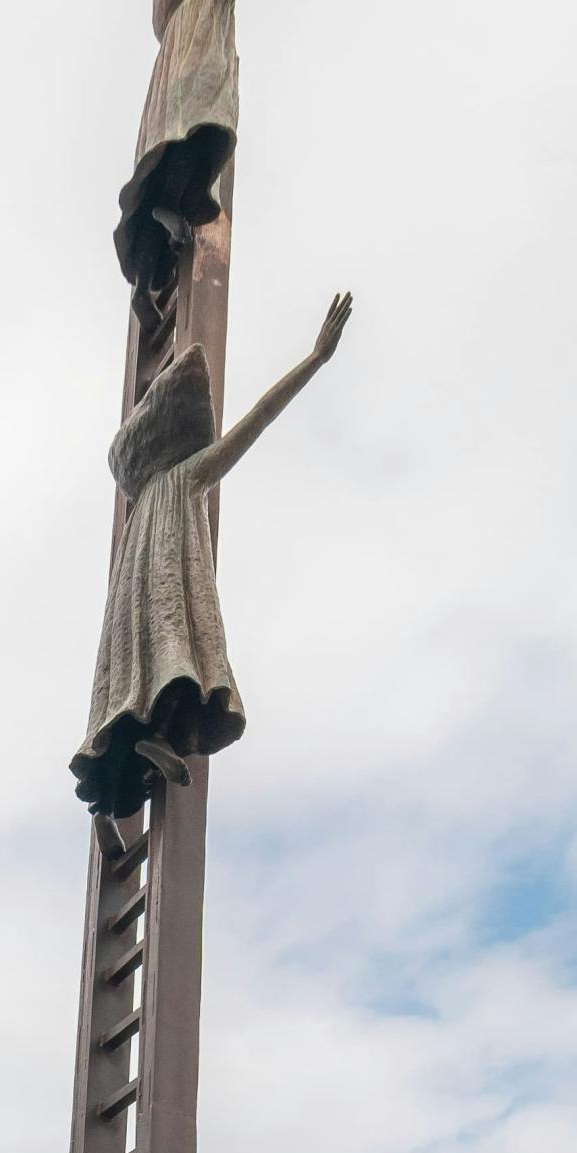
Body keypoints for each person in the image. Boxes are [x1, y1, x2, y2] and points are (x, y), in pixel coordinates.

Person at [72, 296, 351, 816]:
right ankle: (151, 746)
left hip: (130, 622)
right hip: (166, 603)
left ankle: (108, 805)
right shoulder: (188, 474)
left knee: (129, 694)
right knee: (175, 666)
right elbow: (257, 422)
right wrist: (315, 359)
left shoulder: (137, 512)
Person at [115, 0, 352, 322]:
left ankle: (147, 275)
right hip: (199, 109)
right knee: (209, 145)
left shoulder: (175, 25)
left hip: (169, 130)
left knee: (165, 179)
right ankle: (180, 207)